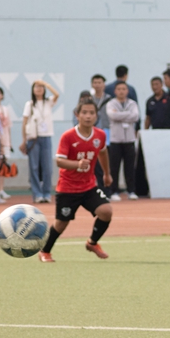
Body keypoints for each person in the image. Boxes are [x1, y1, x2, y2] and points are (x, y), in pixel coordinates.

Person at [39, 99, 113, 261]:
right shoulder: (68, 136)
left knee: (106, 212)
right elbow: (59, 161)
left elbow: (102, 152)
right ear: (77, 115)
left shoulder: (100, 135)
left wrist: (107, 173)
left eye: (91, 113)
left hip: (89, 186)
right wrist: (77, 164)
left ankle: (92, 243)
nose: (88, 116)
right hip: (68, 188)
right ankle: (45, 251)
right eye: (84, 113)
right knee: (61, 223)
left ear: (96, 115)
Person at [22, 80, 60, 204]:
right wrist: (24, 140)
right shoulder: (30, 104)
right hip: (33, 138)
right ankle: (37, 194)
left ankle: (46, 193)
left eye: (41, 87)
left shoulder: (48, 102)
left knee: (47, 167)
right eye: (36, 87)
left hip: (46, 136)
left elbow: (57, 95)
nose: (39, 89)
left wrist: (47, 84)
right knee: (34, 167)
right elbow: (25, 122)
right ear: (32, 90)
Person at [104, 82, 140, 201]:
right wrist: (127, 115)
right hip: (115, 139)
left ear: (127, 91)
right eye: (119, 89)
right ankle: (114, 191)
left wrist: (120, 115)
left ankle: (131, 190)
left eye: (123, 89)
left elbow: (136, 116)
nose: (121, 91)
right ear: (115, 91)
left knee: (130, 167)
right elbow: (112, 116)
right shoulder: (111, 103)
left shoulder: (132, 103)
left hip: (129, 139)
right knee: (114, 166)